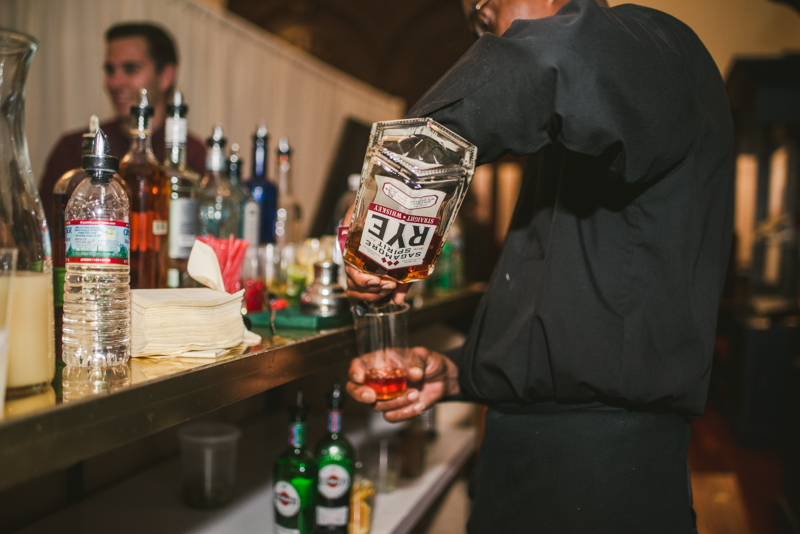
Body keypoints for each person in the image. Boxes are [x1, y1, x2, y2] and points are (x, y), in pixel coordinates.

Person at [345, 0, 734, 532]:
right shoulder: (569, 129)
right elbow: (560, 309)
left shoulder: (653, 44)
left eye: (485, 11)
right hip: (516, 462)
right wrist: (458, 371)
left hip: (604, 479)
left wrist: (396, 180)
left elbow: (540, 60)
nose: (487, 35)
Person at [38, 22, 206, 229]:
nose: (115, 82)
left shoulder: (196, 157)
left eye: (130, 69)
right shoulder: (73, 148)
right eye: (110, 70)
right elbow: (42, 233)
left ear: (166, 76)